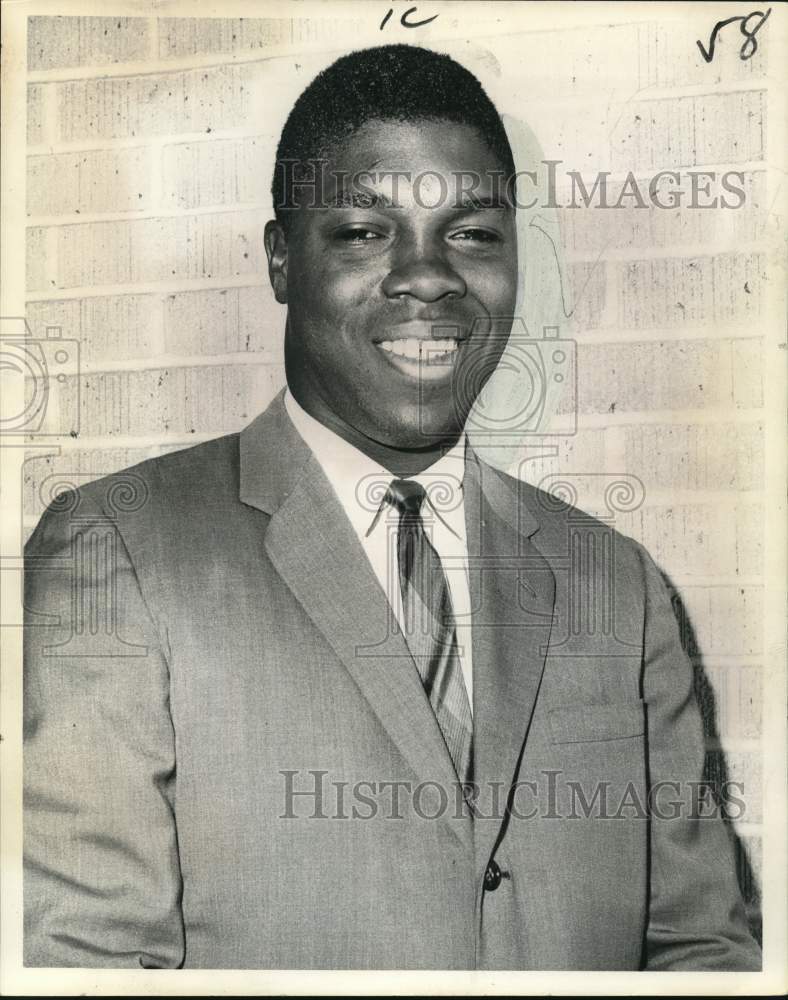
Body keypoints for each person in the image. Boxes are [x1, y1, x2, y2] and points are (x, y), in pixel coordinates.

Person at [23, 43, 760, 971]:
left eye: (473, 233)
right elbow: (83, 962)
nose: (428, 275)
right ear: (283, 259)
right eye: (367, 232)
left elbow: (701, 949)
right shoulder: (122, 549)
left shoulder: (616, 580)